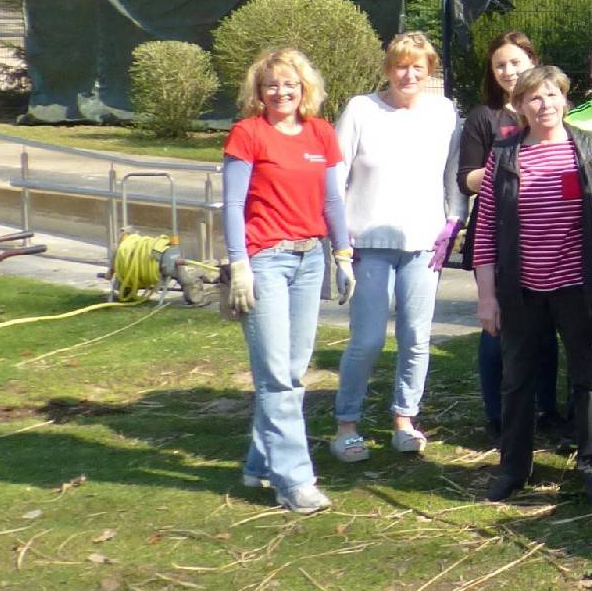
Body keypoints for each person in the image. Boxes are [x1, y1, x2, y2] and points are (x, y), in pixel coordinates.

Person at [471, 66, 592, 505]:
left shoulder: (589, 149)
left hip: (580, 284)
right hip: (520, 288)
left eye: (553, 95)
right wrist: (487, 296)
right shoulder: (503, 154)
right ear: (520, 106)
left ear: (565, 99)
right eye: (534, 98)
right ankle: (513, 468)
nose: (545, 106)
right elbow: (484, 230)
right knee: (517, 379)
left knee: (589, 377)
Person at [223, 48, 352, 515]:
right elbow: (233, 206)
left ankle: (260, 465)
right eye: (272, 85)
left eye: (290, 84)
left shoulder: (321, 132)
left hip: (309, 259)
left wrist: (343, 253)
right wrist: (239, 264)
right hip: (265, 261)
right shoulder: (248, 134)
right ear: (259, 91)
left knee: (292, 372)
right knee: (277, 376)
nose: (281, 92)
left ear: (305, 89)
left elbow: (333, 201)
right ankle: (295, 480)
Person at [330, 32, 459, 463]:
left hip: (423, 243)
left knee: (415, 337)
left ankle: (405, 418)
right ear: (388, 69)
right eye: (401, 66)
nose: (409, 74)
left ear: (429, 71)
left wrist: (453, 220)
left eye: (418, 67)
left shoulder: (442, 112)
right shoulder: (361, 109)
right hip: (368, 243)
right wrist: (338, 237)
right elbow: (335, 175)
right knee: (366, 340)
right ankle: (346, 423)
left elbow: (452, 172)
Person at [455, 31, 561, 446]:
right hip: (497, 232)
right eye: (500, 65)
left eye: (516, 62)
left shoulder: (549, 109)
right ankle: (497, 415)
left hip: (544, 236)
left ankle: (546, 408)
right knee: (497, 327)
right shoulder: (485, 116)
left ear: (532, 62)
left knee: (546, 328)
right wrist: (511, 165)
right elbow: (466, 179)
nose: (508, 71)